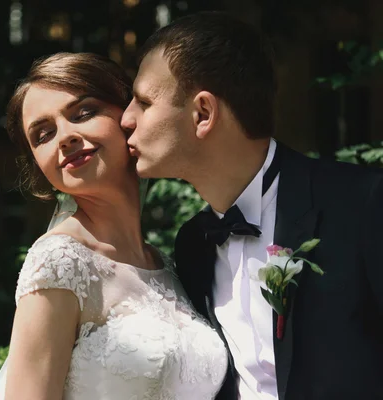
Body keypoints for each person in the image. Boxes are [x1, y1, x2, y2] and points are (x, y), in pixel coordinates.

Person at [121, 11, 383, 400]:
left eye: (144, 101)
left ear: (203, 113)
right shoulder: (193, 244)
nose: (126, 118)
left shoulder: (361, 205)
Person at [0, 52, 228, 400]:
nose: (65, 137)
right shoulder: (59, 262)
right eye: (43, 134)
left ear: (129, 116)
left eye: (83, 114)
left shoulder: (168, 265)